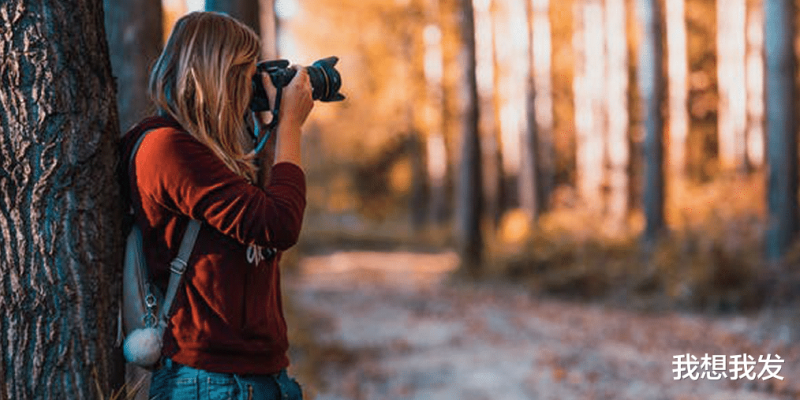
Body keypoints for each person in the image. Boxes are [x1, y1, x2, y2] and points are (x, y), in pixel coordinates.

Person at [119, 11, 313, 400]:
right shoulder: (166, 149)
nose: (251, 85)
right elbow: (278, 223)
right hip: (210, 380)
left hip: (259, 376)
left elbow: (266, 211)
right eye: (246, 72)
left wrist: (270, 125)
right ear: (218, 74)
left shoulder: (214, 155)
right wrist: (290, 125)